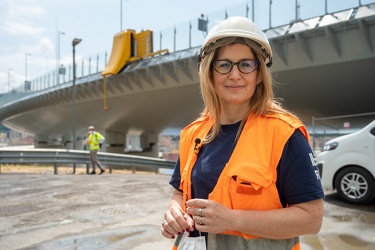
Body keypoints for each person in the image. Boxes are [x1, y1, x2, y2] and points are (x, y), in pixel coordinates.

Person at [161, 16, 324, 250]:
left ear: (259, 75)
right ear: (210, 73)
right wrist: (174, 213)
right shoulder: (193, 133)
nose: (235, 75)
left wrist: (233, 220)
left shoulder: (284, 133)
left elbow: (312, 218)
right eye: (224, 64)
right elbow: (180, 193)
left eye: (246, 64)